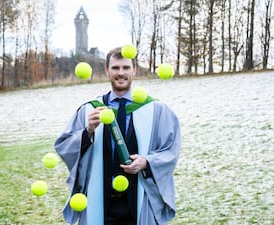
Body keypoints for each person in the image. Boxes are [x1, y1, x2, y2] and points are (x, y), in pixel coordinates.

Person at [54, 47, 181, 225]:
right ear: (107, 70)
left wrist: (147, 161)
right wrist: (87, 132)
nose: (121, 73)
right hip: (100, 199)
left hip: (139, 197)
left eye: (126, 67)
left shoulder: (156, 110)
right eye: (115, 68)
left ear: (134, 70)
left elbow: (170, 150)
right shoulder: (89, 110)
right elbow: (64, 145)